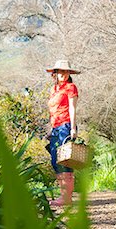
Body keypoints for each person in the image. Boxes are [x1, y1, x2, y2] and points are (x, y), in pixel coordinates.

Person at [46, 59, 80, 206]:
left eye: (66, 71)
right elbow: (53, 111)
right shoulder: (53, 90)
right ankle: (64, 196)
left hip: (66, 126)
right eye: (61, 71)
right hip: (56, 128)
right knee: (55, 160)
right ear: (55, 73)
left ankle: (66, 197)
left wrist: (72, 128)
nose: (64, 74)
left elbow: (72, 108)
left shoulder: (71, 87)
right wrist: (51, 130)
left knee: (64, 161)